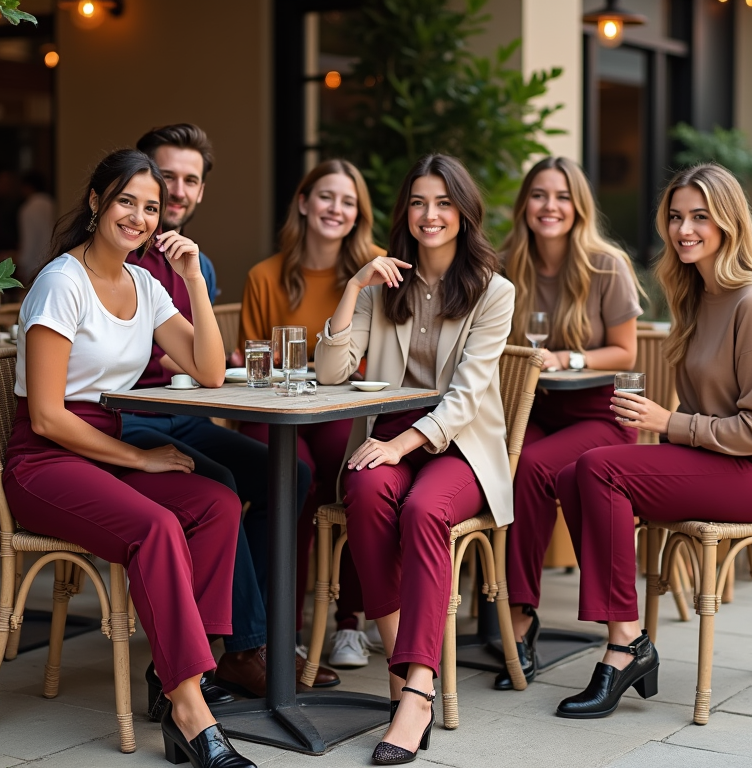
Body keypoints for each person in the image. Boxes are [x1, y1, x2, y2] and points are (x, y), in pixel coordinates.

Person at [6, 148, 256, 767]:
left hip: (104, 450)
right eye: (126, 201)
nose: (140, 217)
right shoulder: (60, 283)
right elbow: (46, 415)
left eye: (150, 207)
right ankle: (192, 712)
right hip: (44, 460)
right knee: (158, 525)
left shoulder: (144, 283)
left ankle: (173, 672)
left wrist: (194, 279)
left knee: (217, 504)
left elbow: (208, 371)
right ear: (96, 202)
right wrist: (138, 461)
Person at [553, 163, 752, 719]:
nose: (684, 229)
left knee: (599, 468)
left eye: (700, 217)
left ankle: (625, 646)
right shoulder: (695, 295)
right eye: (675, 216)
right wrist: (672, 429)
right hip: (714, 457)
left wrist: (668, 424)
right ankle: (628, 636)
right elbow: (702, 412)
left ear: (729, 224)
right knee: (573, 473)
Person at [120, 124, 338, 706]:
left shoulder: (199, 265)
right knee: (216, 484)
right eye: (166, 176)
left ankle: (252, 641)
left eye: (190, 180)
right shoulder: (117, 254)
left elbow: (200, 358)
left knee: (288, 474)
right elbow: (156, 352)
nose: (177, 190)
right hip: (127, 415)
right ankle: (239, 648)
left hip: (183, 413)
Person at [316, 154, 515, 764]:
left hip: (462, 445)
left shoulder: (493, 290)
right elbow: (331, 375)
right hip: (392, 432)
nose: (430, 215)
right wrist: (353, 287)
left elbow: (466, 398)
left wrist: (403, 444)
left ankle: (417, 688)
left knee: (426, 509)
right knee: (367, 490)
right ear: (405, 210)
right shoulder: (384, 283)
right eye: (420, 202)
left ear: (464, 212)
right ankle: (409, 669)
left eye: (444, 203)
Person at [498, 157, 643, 690]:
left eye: (561, 196)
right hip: (535, 410)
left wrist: (569, 358)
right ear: (525, 205)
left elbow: (625, 350)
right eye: (539, 195)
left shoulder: (607, 265)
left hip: (600, 413)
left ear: (578, 205)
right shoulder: (505, 264)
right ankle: (518, 610)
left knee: (532, 464)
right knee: (508, 464)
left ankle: (520, 618)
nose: (549, 206)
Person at [240, 159, 382, 669]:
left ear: (358, 215)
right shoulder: (266, 275)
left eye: (348, 201)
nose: (336, 209)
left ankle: (350, 624)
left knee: (358, 471)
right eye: (326, 197)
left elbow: (377, 356)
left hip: (342, 405)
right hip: (279, 409)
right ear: (303, 202)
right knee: (287, 477)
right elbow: (251, 357)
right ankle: (283, 630)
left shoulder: (376, 270)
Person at [17, 170, 56, 285]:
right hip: (54, 261)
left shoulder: (28, 209)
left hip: (34, 265)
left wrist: (21, 265)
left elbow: (29, 241)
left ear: (27, 187)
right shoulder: (52, 205)